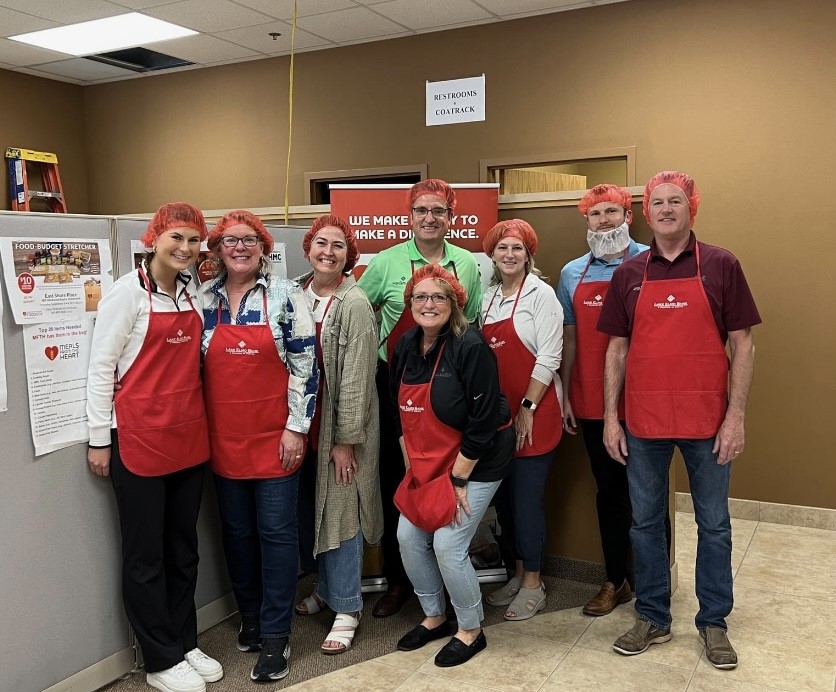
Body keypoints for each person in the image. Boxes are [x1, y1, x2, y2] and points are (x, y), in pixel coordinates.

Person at [598, 172, 760, 669]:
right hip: (643, 422)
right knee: (645, 524)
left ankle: (714, 622)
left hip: (708, 422)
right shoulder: (629, 274)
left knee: (713, 525)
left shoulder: (720, 264)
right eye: (657, 203)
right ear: (645, 213)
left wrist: (735, 417)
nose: (666, 209)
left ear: (692, 207)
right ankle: (652, 616)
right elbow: (616, 349)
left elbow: (743, 344)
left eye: (676, 201)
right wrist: (610, 416)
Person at [87, 203, 223, 692]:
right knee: (145, 556)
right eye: (176, 239)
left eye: (193, 241)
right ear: (154, 238)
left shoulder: (191, 294)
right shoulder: (126, 296)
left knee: (183, 549)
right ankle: (160, 658)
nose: (185, 249)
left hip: (188, 438)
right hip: (139, 440)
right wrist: (100, 439)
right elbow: (102, 369)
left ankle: (184, 641)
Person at [200, 210, 318, 683]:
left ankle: (275, 635)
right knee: (237, 534)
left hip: (276, 439)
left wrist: (296, 428)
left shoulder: (287, 296)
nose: (240, 247)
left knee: (276, 534)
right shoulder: (202, 298)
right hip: (222, 440)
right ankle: (249, 614)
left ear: (264, 246)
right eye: (231, 241)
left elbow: (305, 367)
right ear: (218, 249)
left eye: (250, 240)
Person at [357, 179, 482, 617]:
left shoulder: (466, 263)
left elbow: (474, 324)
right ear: (409, 215)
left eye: (439, 210)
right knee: (402, 482)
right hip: (398, 386)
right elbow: (359, 310)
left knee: (446, 483)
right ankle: (399, 583)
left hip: (450, 391)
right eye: (421, 210)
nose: (430, 218)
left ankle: (448, 583)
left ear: (451, 216)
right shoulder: (387, 262)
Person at [390, 264, 514, 667]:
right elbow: (401, 415)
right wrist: (414, 469)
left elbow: (483, 422)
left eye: (438, 297)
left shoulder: (470, 346)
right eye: (420, 297)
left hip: (478, 459)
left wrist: (458, 478)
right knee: (408, 536)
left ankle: (470, 629)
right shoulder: (406, 345)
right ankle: (434, 616)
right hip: (428, 460)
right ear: (410, 304)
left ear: (454, 303)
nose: (429, 304)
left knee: (447, 542)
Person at [557, 184, 656, 616]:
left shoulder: (654, 262)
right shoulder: (571, 273)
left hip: (648, 397)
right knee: (610, 492)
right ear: (587, 222)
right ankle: (615, 581)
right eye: (595, 214)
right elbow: (570, 339)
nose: (604, 221)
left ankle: (656, 585)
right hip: (593, 400)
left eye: (612, 212)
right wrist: (565, 392)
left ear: (628, 216)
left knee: (648, 493)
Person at [293, 214, 383, 655]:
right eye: (321, 243)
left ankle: (348, 606)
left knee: (343, 512)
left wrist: (345, 439)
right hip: (299, 427)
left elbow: (357, 379)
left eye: (339, 246)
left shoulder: (354, 304)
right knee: (316, 511)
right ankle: (327, 589)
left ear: (349, 255)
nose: (328, 252)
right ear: (308, 247)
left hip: (339, 428)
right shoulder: (293, 293)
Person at [479, 219, 563, 621]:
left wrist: (526, 409)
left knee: (527, 502)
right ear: (492, 255)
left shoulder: (541, 295)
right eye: (502, 248)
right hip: (498, 416)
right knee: (506, 503)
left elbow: (549, 356)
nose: (509, 255)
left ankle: (534, 582)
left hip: (534, 412)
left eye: (517, 248)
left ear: (529, 254)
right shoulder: (488, 297)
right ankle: (515, 573)